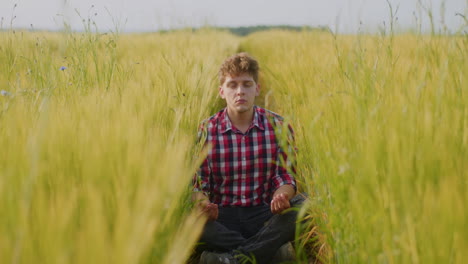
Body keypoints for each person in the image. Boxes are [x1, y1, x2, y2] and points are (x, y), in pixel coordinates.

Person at [192, 52, 306, 264]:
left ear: (257, 89)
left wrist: (281, 197)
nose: (240, 91)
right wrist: (204, 206)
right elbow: (199, 184)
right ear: (221, 91)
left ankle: (228, 259)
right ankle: (267, 250)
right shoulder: (207, 129)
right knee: (189, 220)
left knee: (305, 205)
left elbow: (285, 177)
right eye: (232, 85)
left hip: (264, 215)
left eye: (246, 84)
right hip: (222, 218)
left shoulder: (279, 126)